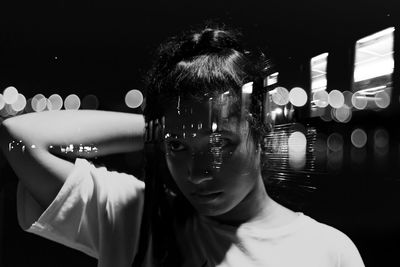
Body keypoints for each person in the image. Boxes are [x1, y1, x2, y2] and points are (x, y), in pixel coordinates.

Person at [0, 25, 365, 267]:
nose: (197, 172)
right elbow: (20, 138)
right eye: (177, 147)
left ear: (261, 129)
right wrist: (158, 127)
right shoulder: (137, 218)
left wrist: (177, 131)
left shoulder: (328, 253)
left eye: (219, 142)